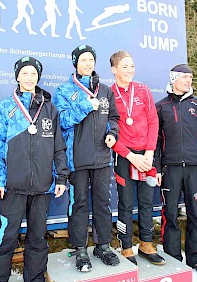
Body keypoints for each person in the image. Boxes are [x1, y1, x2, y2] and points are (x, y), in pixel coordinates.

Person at [0, 56, 69, 282]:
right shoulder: (6, 107)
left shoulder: (49, 109)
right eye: (25, 73)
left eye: (33, 74)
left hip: (42, 188)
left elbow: (59, 147)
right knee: (6, 238)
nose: (29, 78)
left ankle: (35, 279)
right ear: (17, 76)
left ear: (38, 77)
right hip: (13, 187)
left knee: (38, 239)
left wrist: (61, 178)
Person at [53, 45, 120, 272]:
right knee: (79, 204)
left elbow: (113, 118)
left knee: (102, 203)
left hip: (102, 159)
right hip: (76, 160)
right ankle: (80, 248)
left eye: (91, 59)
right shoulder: (63, 91)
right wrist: (84, 106)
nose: (88, 63)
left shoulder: (105, 91)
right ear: (75, 63)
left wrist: (112, 133)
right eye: (83, 60)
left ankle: (103, 245)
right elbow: (61, 121)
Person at [154, 64, 197, 275]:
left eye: (190, 77)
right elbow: (156, 141)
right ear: (174, 79)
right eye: (184, 77)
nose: (189, 81)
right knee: (169, 214)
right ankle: (173, 259)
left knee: (196, 214)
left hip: (196, 169)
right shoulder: (161, 106)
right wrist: (157, 169)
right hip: (170, 169)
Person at [109, 50, 165, 266]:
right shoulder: (109, 94)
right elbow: (110, 131)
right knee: (125, 202)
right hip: (125, 157)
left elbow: (153, 121)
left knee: (146, 200)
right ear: (114, 69)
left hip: (147, 157)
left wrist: (149, 153)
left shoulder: (143, 90)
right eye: (125, 66)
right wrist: (130, 155)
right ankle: (125, 246)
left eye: (132, 66)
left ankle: (146, 243)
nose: (130, 70)